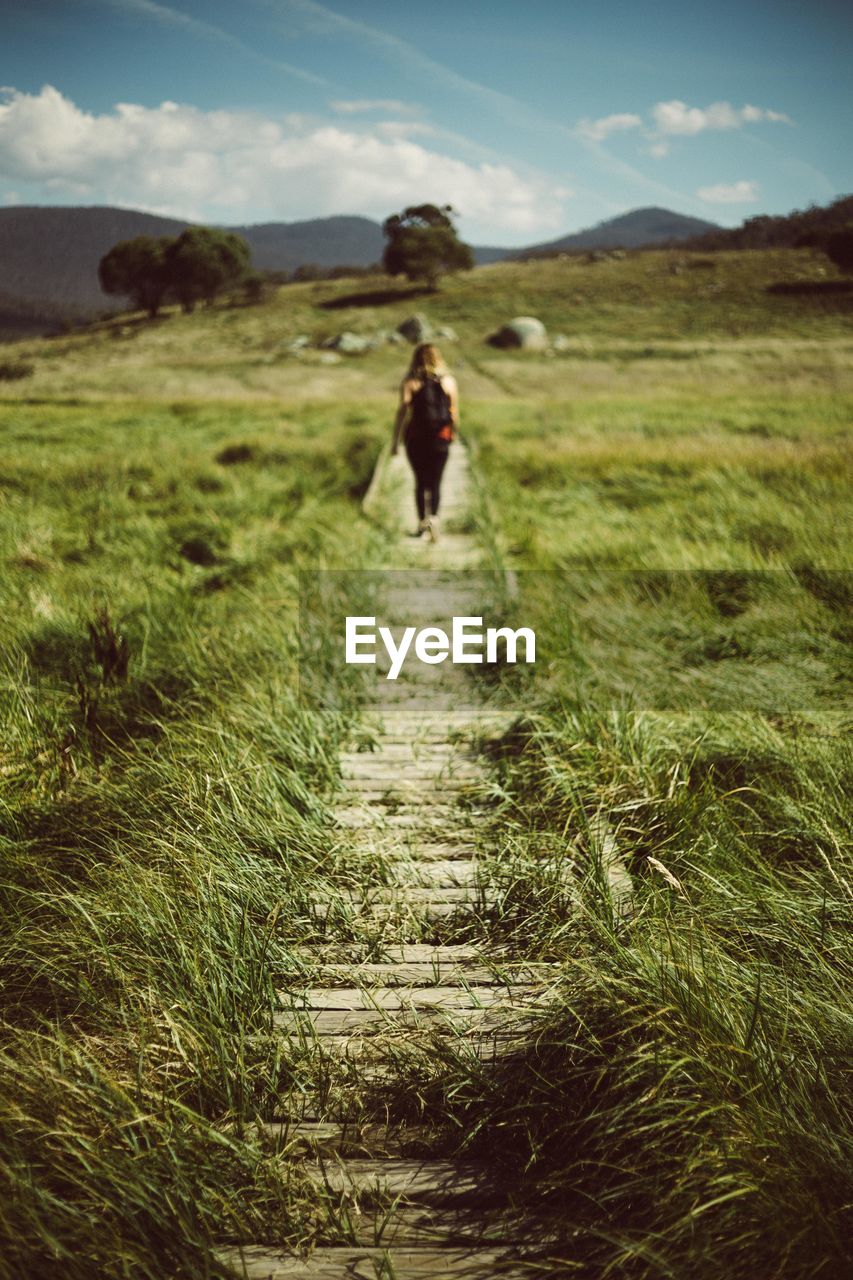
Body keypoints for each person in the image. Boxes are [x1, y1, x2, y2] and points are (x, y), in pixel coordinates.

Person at [391, 343, 459, 541]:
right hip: (440, 439)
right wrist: (452, 433)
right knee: (436, 482)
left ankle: (422, 525)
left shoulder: (410, 382)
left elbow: (403, 411)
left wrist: (396, 440)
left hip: (416, 439)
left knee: (420, 482)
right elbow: (453, 413)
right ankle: (434, 519)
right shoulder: (448, 382)